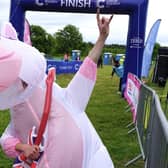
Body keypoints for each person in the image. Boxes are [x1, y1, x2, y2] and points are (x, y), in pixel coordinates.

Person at [0, 9, 114, 168]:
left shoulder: (64, 98)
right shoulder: (18, 108)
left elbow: (88, 66)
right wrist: (23, 147)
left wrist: (102, 38)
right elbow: (6, 138)